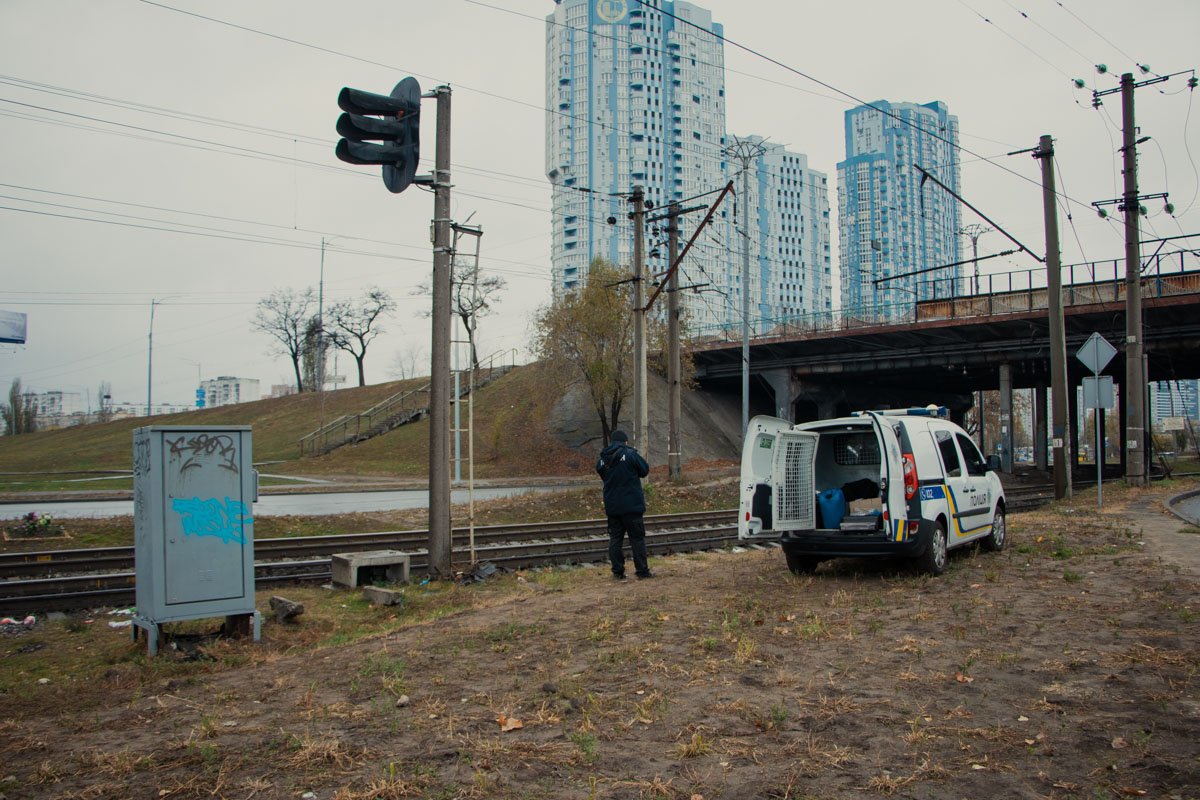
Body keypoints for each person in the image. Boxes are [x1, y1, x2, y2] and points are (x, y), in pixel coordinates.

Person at [595, 429, 653, 580]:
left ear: (612, 442)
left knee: (615, 539)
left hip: (613, 507)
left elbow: (603, 474)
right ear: (625, 442)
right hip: (632, 506)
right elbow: (644, 470)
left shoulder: (602, 459)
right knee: (637, 539)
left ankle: (618, 572)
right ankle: (642, 572)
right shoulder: (631, 454)